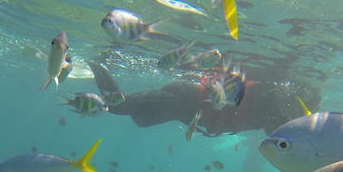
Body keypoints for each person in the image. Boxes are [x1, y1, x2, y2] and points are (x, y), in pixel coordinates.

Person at [88, 61, 321, 136]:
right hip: (182, 98)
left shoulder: (278, 108)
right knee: (118, 106)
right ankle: (97, 64)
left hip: (187, 111)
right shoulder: (276, 98)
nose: (303, 116)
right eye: (307, 109)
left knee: (142, 120)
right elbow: (275, 127)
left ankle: (96, 70)